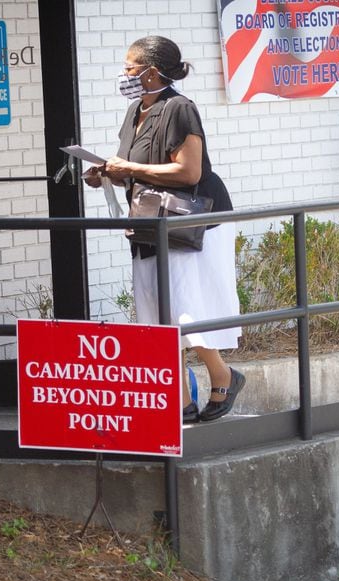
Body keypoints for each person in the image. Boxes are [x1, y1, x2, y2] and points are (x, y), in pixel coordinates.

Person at [84, 35, 245, 423]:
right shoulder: (136, 110)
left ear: (152, 72)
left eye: (130, 68)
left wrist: (130, 170)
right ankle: (178, 401)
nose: (124, 75)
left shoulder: (180, 108)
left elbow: (188, 171)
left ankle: (223, 375)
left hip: (191, 222)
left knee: (186, 310)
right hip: (148, 222)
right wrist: (104, 173)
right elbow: (132, 165)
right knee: (155, 314)